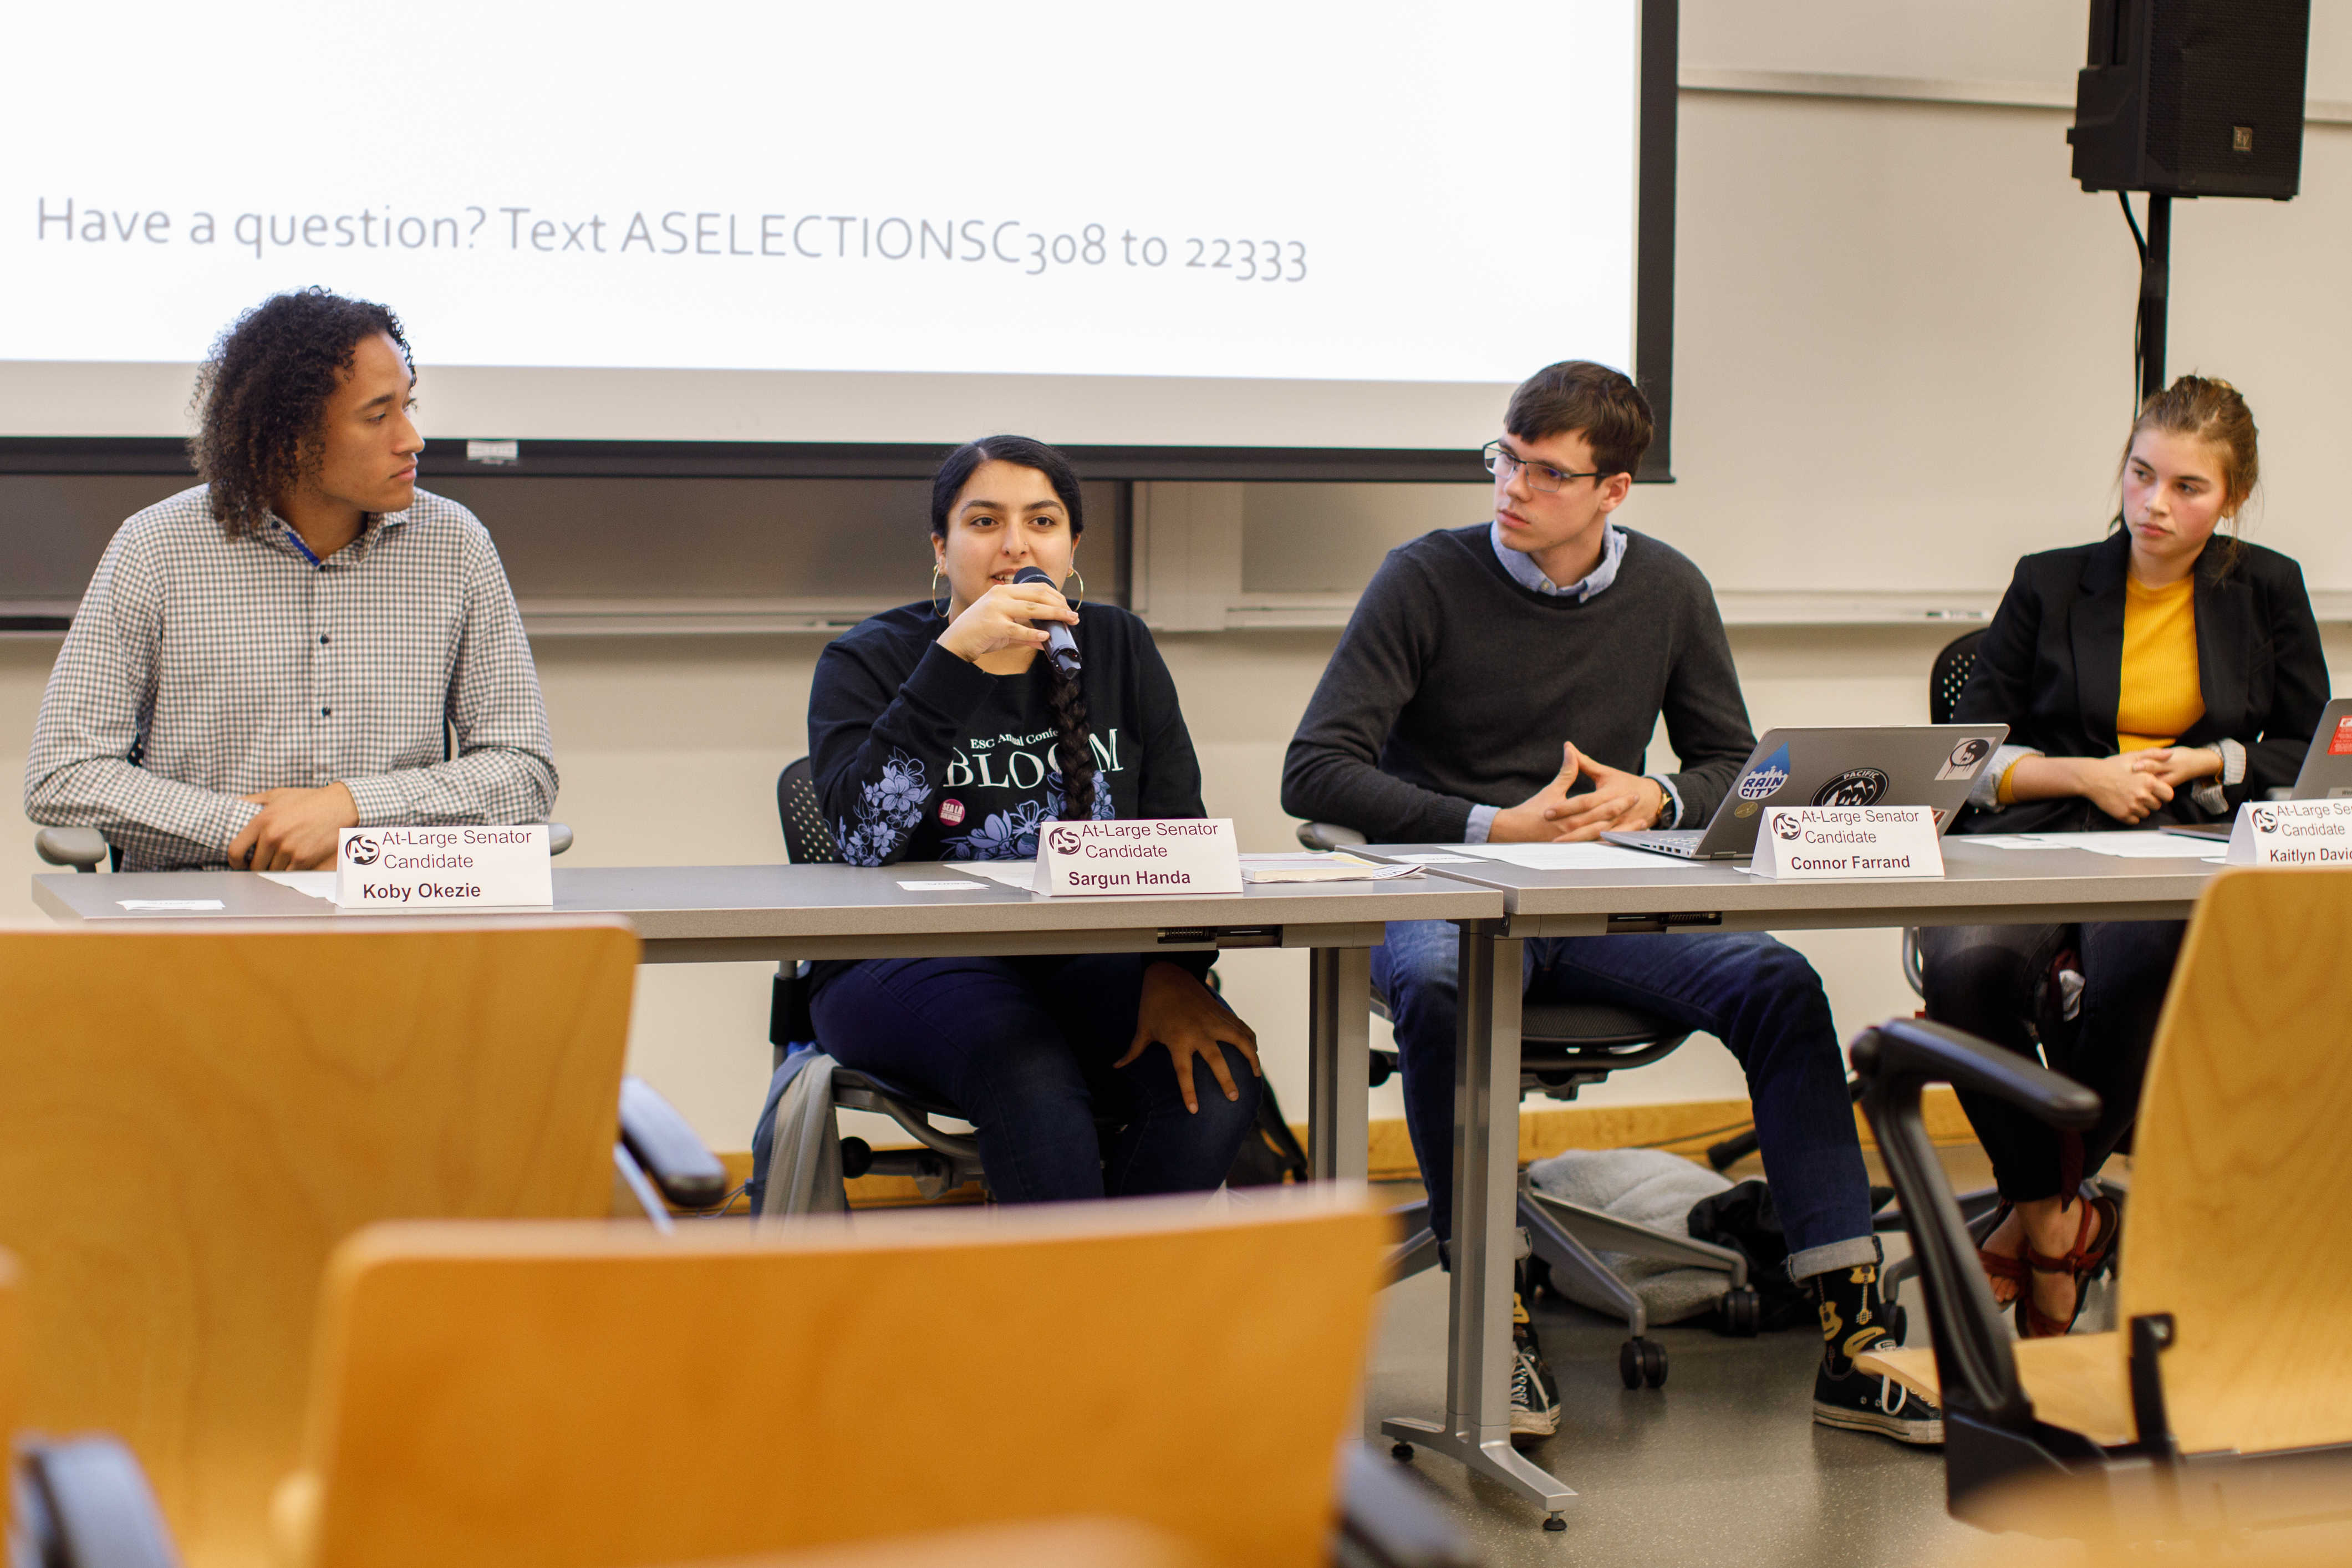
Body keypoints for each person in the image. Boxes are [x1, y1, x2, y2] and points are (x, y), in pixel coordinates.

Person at [1282, 361, 1938, 1445]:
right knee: (1443, 989)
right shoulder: (1424, 579)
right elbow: (1315, 769)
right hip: (1452, 889)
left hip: (1598, 907)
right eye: (1505, 458)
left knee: (1779, 981)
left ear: (1613, 490)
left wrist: (1661, 793)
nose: (1512, 487)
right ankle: (1497, 1323)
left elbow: (1735, 763)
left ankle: (1852, 1333)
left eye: (1546, 471)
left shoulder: (1670, 589)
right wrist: (1491, 826)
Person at [1926, 374, 2325, 1337]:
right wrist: (2086, 776)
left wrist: (2206, 757)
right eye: (2140, 474)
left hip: (2175, 845)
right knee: (1966, 973)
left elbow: (2312, 752)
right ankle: (2061, 1219)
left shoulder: (2264, 586)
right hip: (2034, 837)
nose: (2153, 504)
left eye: (2187, 488)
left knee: (2147, 968)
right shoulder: (2048, 578)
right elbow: (1965, 754)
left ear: (2229, 499)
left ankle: (2037, 1230)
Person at [802, 435, 1261, 1202]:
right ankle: (1058, 1318)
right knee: (1026, 1073)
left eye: (1041, 522)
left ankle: (1108, 1312)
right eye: (983, 523)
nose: (1015, 545)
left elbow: (1178, 834)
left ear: (1072, 545)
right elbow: (863, 842)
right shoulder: (865, 660)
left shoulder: (1118, 646)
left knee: (1213, 1079)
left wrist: (1176, 971)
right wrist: (954, 659)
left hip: (1082, 960)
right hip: (898, 960)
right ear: (940, 548)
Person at [24, 288, 556, 872]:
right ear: (290, 439)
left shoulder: (455, 544)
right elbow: (65, 774)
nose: (412, 439)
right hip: (198, 922)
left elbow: (522, 767)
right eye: (378, 416)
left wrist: (350, 810)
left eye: (409, 406)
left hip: (391, 912)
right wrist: (260, 832)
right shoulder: (157, 548)